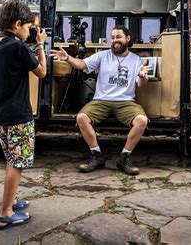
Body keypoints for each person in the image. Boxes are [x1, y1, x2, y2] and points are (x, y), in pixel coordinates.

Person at [51, 25, 151, 175]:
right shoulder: (103, 55)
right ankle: (96, 156)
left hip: (126, 102)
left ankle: (125, 157)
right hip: (101, 101)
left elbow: (141, 85)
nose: (115, 40)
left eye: (118, 37)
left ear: (127, 39)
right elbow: (82, 64)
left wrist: (143, 76)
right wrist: (68, 58)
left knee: (142, 121)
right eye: (112, 37)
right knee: (81, 118)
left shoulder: (137, 60)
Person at [0, 0, 47, 230]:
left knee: (11, 159)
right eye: (28, 28)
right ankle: (5, 214)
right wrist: (40, 45)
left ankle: (10, 200)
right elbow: (41, 72)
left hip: (1, 113)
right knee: (17, 163)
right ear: (17, 23)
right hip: (19, 115)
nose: (30, 32)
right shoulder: (18, 47)